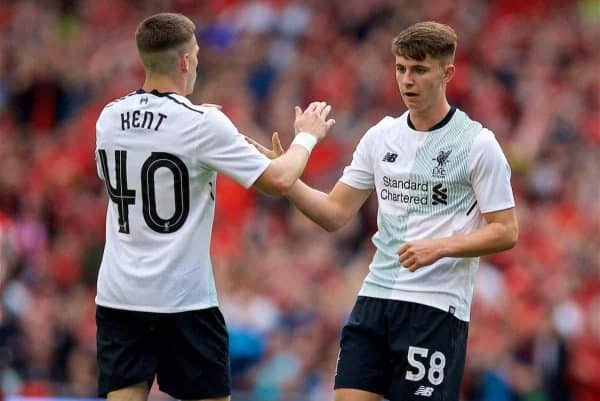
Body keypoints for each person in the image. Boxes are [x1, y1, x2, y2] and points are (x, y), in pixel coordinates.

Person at [251, 21, 518, 401]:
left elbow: (506, 230)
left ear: (448, 73)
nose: (407, 80)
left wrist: (439, 246)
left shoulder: (478, 144)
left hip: (434, 309)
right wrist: (285, 180)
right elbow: (333, 213)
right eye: (401, 68)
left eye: (420, 70)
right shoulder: (381, 136)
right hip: (374, 302)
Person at [94, 12, 334, 401]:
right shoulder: (202, 122)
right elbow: (278, 181)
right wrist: (306, 137)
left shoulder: (108, 118)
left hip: (120, 294)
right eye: (198, 55)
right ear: (186, 61)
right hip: (183, 298)